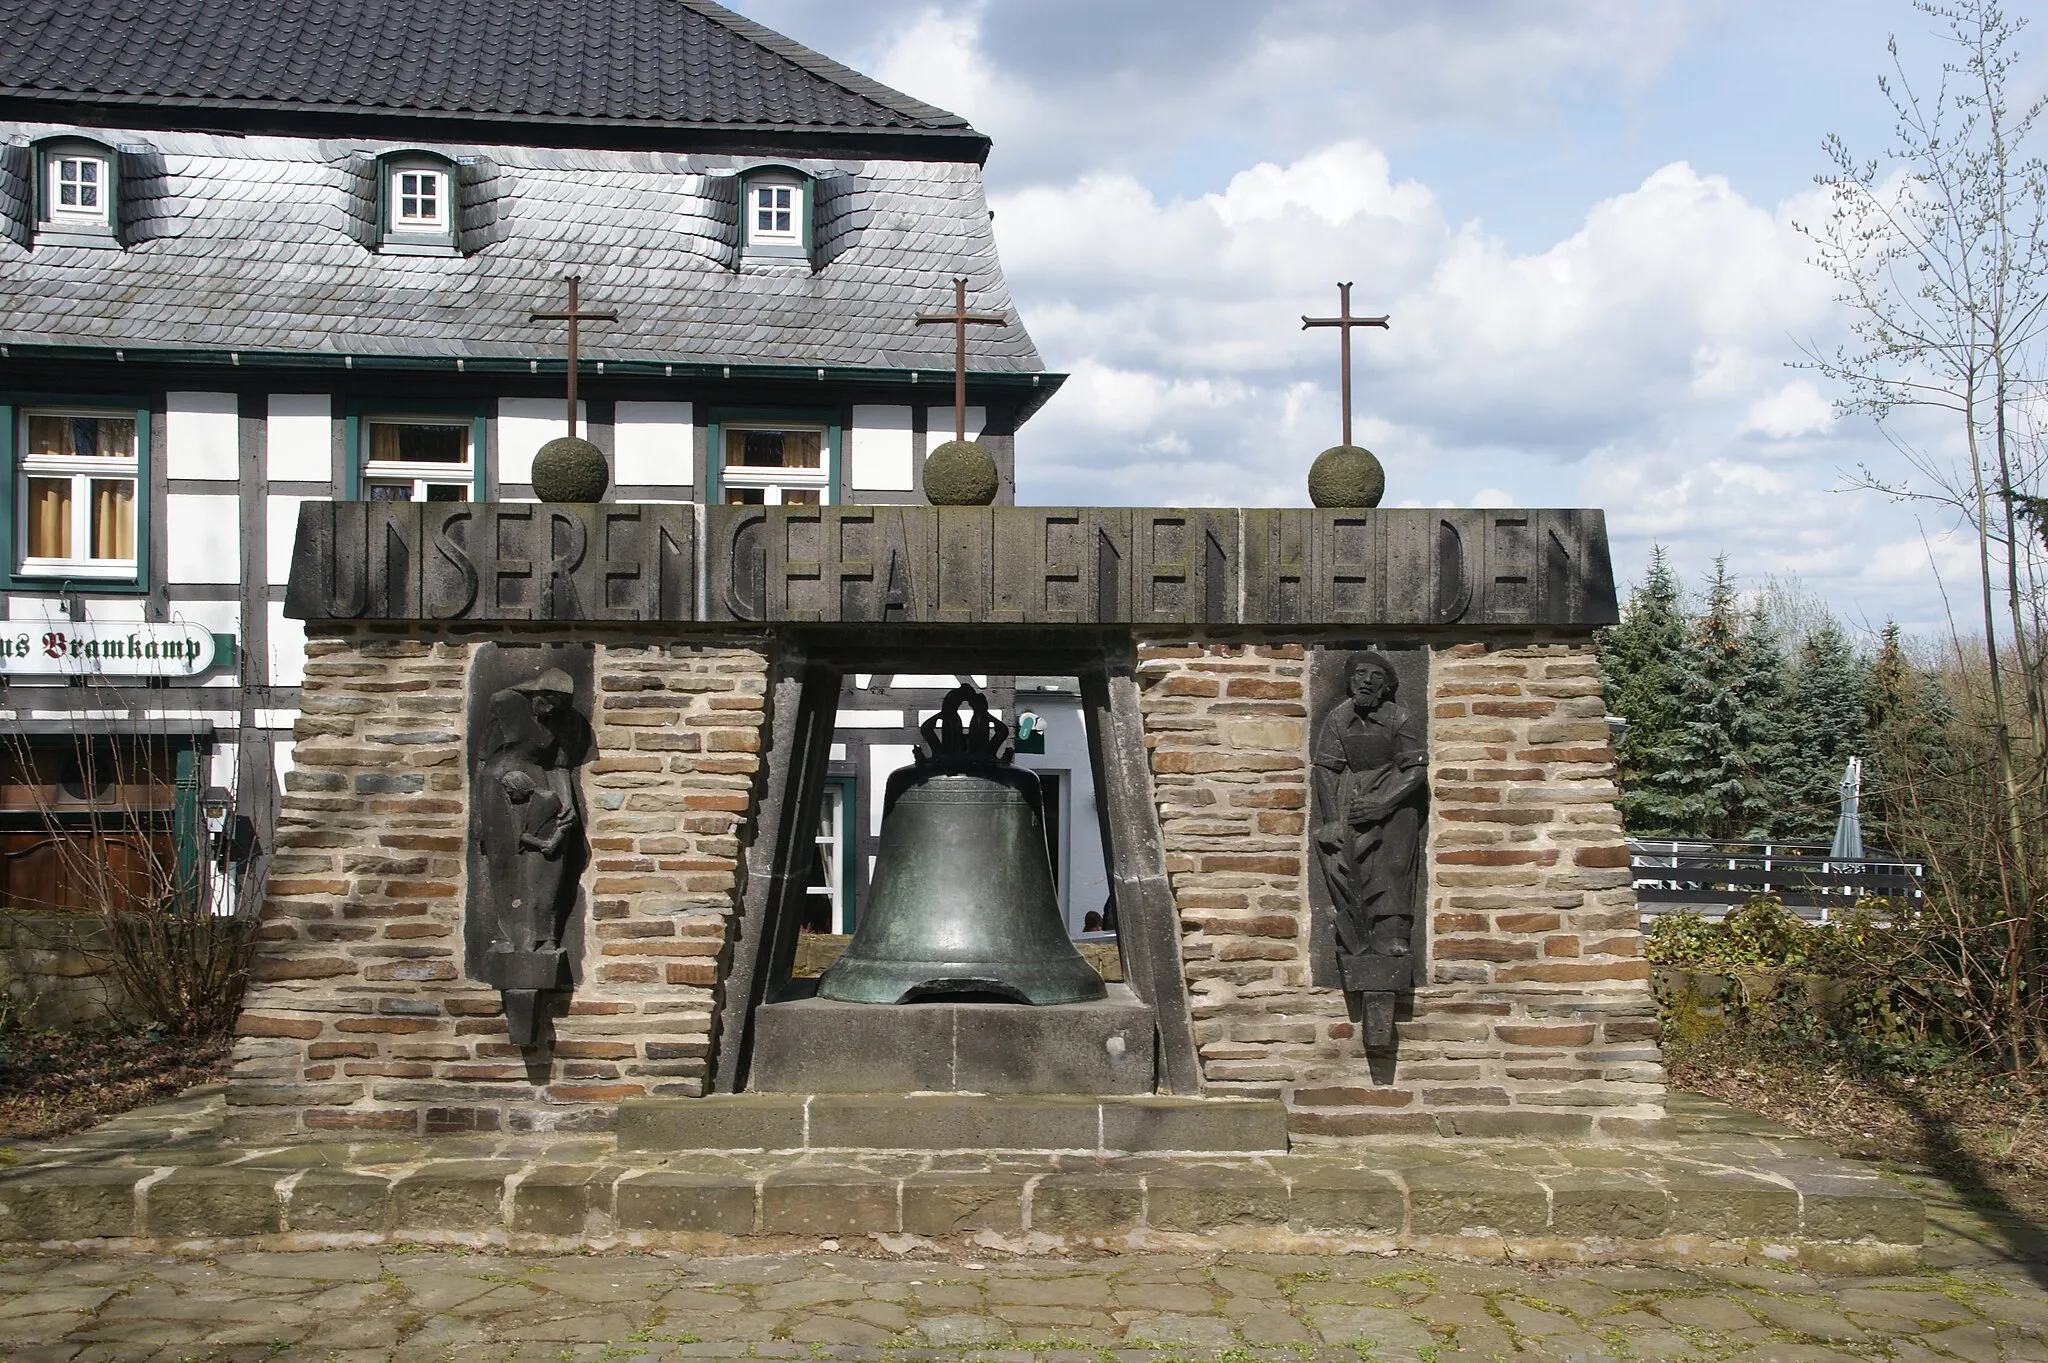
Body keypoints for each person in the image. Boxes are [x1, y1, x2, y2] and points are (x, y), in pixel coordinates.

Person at [1311, 652, 1427, 967]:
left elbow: (1416, 770)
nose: (1366, 681)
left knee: (1394, 867)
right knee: (1353, 865)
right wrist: (1333, 820)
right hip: (1354, 800)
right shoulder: (1338, 718)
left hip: (1395, 802)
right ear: (1350, 682)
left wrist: (1384, 803)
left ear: (1386, 687)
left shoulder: (1398, 718)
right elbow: (1325, 769)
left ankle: (1392, 936)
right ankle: (1356, 936)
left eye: (1375, 676)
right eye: (1360, 674)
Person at [474, 668, 582, 958]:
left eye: (558, 709)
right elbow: (483, 758)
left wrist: (566, 799)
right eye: (548, 704)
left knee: (545, 865)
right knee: (502, 864)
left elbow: (561, 765)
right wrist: (479, 817)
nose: (549, 713)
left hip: (539, 789)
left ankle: (543, 936)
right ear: (537, 694)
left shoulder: (565, 720)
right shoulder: (503, 702)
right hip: (497, 790)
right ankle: (509, 935)